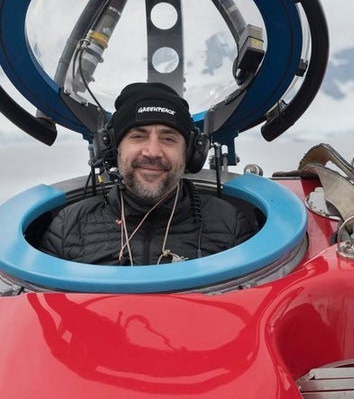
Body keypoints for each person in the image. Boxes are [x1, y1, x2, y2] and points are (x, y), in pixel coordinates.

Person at [40, 82, 257, 265]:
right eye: (138, 136)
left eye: (168, 138)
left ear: (190, 152)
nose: (152, 152)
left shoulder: (231, 225)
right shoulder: (68, 227)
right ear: (113, 148)